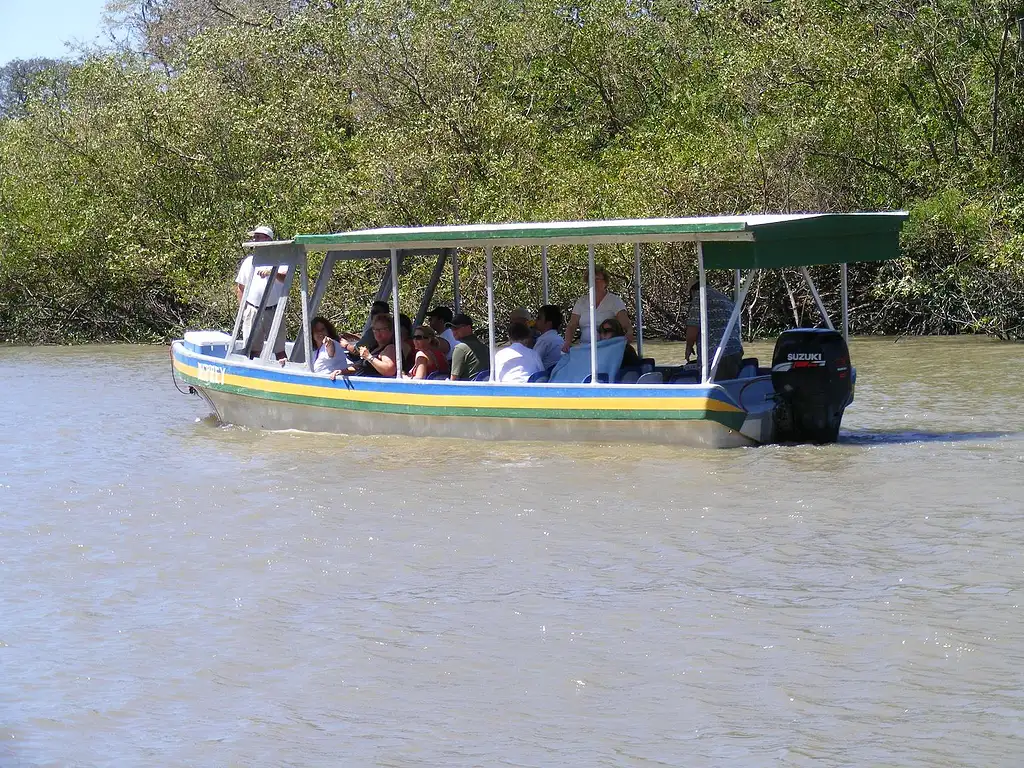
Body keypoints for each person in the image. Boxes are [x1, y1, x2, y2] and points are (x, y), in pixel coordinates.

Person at [235, 225, 288, 359]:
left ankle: (283, 375)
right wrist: (243, 310)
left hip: (274, 310)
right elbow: (240, 287)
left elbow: (285, 279)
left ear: (267, 239)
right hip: (252, 310)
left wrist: (272, 273)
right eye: (254, 237)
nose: (254, 240)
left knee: (280, 350)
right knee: (252, 350)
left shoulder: (280, 260)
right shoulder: (249, 262)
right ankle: (252, 376)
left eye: (258, 237)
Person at [684, 277, 744, 380]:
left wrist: (689, 346)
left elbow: (693, 330)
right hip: (735, 351)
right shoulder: (723, 297)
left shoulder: (700, 296)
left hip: (717, 356)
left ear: (692, 291)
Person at [562, 266, 633, 352]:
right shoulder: (581, 301)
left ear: (605, 282)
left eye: (597, 279)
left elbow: (626, 324)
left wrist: (629, 333)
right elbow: (572, 325)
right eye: (591, 279)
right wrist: (567, 342)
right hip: (584, 347)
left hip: (607, 347)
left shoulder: (614, 300)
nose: (594, 282)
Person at [332, 313, 397, 379]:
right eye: (375, 330)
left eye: (382, 329)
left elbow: (389, 371)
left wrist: (369, 357)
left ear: (391, 331)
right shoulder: (374, 348)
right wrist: (342, 371)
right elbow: (359, 367)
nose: (378, 333)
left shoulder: (390, 348)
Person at [449, 313, 489, 380]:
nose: (453, 332)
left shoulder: (460, 348)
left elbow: (453, 380)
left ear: (468, 328)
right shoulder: (484, 347)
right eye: (452, 328)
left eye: (456, 328)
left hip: (466, 389)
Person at [532, 305, 564, 370]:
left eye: (539, 318)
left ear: (548, 323)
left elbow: (532, 362)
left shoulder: (544, 340)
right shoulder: (559, 339)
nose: (536, 320)